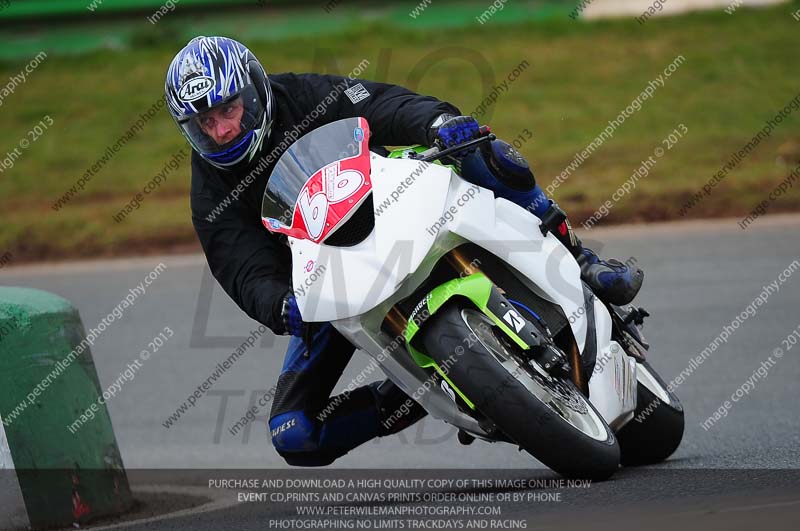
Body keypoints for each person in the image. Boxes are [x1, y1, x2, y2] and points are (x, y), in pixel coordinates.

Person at [165, 36, 643, 466]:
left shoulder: (302, 95)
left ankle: (580, 258)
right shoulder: (210, 188)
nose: (221, 131)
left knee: (478, 146)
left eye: (228, 110)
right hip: (329, 279)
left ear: (253, 91)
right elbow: (238, 264)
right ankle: (413, 394)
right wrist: (278, 305)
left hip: (389, 205)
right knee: (294, 434)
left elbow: (382, 104)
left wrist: (436, 122)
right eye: (203, 123)